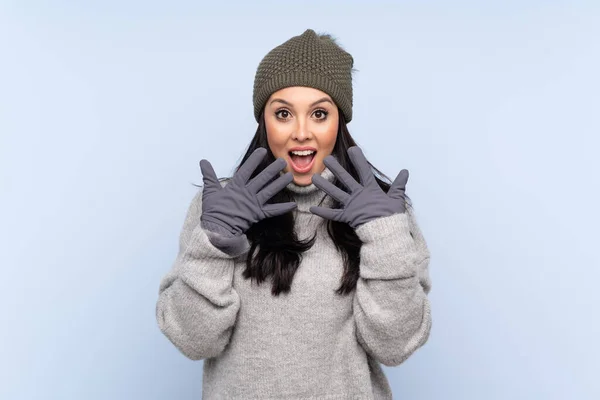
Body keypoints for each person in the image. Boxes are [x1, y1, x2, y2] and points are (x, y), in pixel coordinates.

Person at [155, 28, 432, 400]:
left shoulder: (385, 210)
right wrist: (212, 244)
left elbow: (395, 346)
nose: (301, 132)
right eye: (283, 113)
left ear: (340, 122)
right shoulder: (219, 207)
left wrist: (385, 235)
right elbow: (193, 341)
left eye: (319, 113)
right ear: (263, 121)